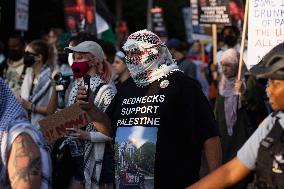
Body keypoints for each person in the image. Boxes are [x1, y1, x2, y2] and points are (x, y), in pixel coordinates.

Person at [77, 29, 222, 189]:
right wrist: (90, 109)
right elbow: (109, 129)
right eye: (128, 53)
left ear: (155, 52)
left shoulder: (183, 85)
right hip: (128, 183)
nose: (131, 58)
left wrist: (216, 182)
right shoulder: (126, 88)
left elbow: (209, 136)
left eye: (136, 52)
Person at [188, 42, 284, 189]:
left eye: (275, 84)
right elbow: (229, 172)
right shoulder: (273, 125)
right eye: (222, 65)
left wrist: (244, 93)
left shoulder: (248, 82)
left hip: (242, 134)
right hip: (225, 136)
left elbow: (257, 106)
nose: (268, 90)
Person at [48, 40, 116, 189]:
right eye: (74, 58)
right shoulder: (75, 86)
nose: (74, 63)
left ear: (93, 61)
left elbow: (113, 132)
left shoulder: (107, 90)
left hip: (100, 160)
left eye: (79, 58)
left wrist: (87, 135)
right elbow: (67, 121)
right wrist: (60, 119)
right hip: (76, 156)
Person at [0, 77, 51, 188]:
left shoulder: (18, 137)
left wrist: (30, 106)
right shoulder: (29, 74)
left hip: (40, 129)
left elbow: (55, 112)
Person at [18, 40, 53, 128]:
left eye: (28, 54)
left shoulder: (50, 77)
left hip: (44, 127)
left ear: (39, 57)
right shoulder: (29, 75)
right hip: (28, 125)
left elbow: (53, 109)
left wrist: (30, 106)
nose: (25, 56)